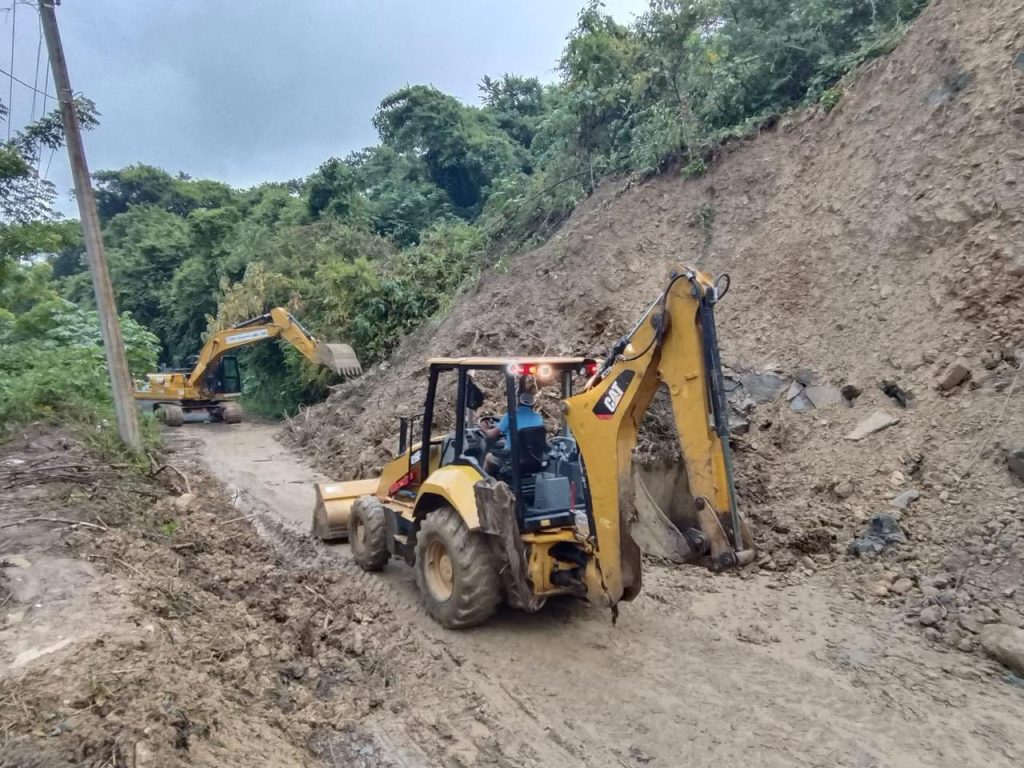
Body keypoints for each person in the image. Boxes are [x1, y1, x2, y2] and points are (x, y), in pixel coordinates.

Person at [483, 375, 543, 475]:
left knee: (489, 457)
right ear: (532, 403)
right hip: (534, 459)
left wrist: (484, 428)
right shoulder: (538, 417)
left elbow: (492, 435)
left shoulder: (510, 416)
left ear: (518, 401)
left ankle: (487, 482)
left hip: (513, 459)